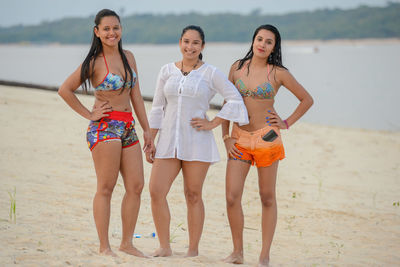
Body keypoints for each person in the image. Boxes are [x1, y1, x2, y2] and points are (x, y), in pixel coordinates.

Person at [146, 25, 249, 257]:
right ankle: (164, 246)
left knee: (193, 194)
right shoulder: (166, 71)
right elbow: (158, 107)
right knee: (156, 191)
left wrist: (213, 123)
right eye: (186, 41)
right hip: (168, 139)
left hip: (197, 141)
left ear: (202, 46)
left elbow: (235, 99)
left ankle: (192, 250)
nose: (189, 46)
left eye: (195, 43)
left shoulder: (210, 73)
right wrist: (151, 139)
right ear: (179, 43)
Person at [58, 9, 154, 257]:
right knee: (107, 187)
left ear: (121, 29)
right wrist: (89, 114)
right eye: (107, 29)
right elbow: (65, 90)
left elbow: (136, 96)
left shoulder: (129, 57)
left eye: (116, 28)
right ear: (97, 32)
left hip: (128, 126)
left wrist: (147, 131)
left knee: (136, 185)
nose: (112, 33)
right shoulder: (94, 62)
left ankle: (126, 243)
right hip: (105, 128)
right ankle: (104, 246)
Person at [222, 24, 313, 266]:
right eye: (259, 39)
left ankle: (264, 256)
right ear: (253, 41)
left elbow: (307, 99)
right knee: (231, 196)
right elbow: (227, 103)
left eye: (268, 41)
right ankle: (237, 252)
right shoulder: (237, 68)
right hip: (239, 137)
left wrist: (286, 122)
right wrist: (226, 136)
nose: (262, 44)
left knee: (267, 196)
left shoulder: (278, 73)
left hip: (267, 137)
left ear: (274, 47)